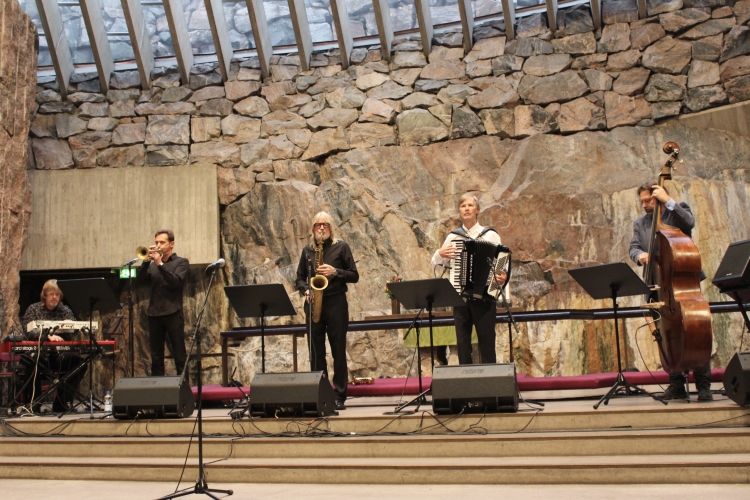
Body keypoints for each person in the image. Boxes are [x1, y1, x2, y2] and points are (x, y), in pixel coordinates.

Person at [629, 181, 712, 401]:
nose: (645, 205)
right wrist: (639, 256)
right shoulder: (641, 223)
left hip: (684, 285)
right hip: (658, 286)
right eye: (642, 201)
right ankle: (676, 384)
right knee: (667, 335)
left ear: (658, 196)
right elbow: (634, 247)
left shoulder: (677, 212)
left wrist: (668, 200)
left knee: (696, 332)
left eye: (648, 200)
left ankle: (703, 385)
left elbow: (690, 223)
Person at [431, 193, 507, 365]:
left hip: (485, 297)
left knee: (487, 344)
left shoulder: (490, 236)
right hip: (460, 297)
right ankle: (466, 385)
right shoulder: (453, 237)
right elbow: (438, 265)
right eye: (463, 206)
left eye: (470, 205)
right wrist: (439, 254)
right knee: (463, 344)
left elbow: (501, 264)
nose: (466, 208)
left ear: (477, 210)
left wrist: (503, 276)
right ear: (459, 211)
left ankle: (490, 385)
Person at [295, 212, 359, 410]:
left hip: (336, 303)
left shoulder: (341, 247)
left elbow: (354, 275)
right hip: (314, 303)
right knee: (316, 352)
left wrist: (335, 272)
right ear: (313, 229)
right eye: (317, 225)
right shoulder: (307, 251)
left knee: (338, 350)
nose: (321, 229)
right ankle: (321, 393)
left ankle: (339, 395)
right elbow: (299, 278)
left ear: (331, 228)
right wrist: (305, 290)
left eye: (325, 225)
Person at [20, 279, 87, 412]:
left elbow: (75, 328)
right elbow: (28, 331)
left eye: (57, 294)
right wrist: (47, 335)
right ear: (45, 295)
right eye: (51, 294)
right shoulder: (33, 309)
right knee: (31, 362)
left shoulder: (65, 310)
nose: (54, 297)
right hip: (39, 354)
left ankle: (61, 402)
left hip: (58, 355)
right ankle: (35, 404)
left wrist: (71, 325)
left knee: (80, 364)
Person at [137, 229, 189, 381]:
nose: (158, 245)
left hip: (173, 313)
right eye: (156, 242)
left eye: (162, 242)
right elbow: (139, 282)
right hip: (154, 314)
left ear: (171, 244)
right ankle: (158, 395)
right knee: (156, 358)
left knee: (179, 355)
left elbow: (175, 283)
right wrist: (146, 263)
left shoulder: (181, 262)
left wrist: (160, 263)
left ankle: (183, 390)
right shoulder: (152, 265)